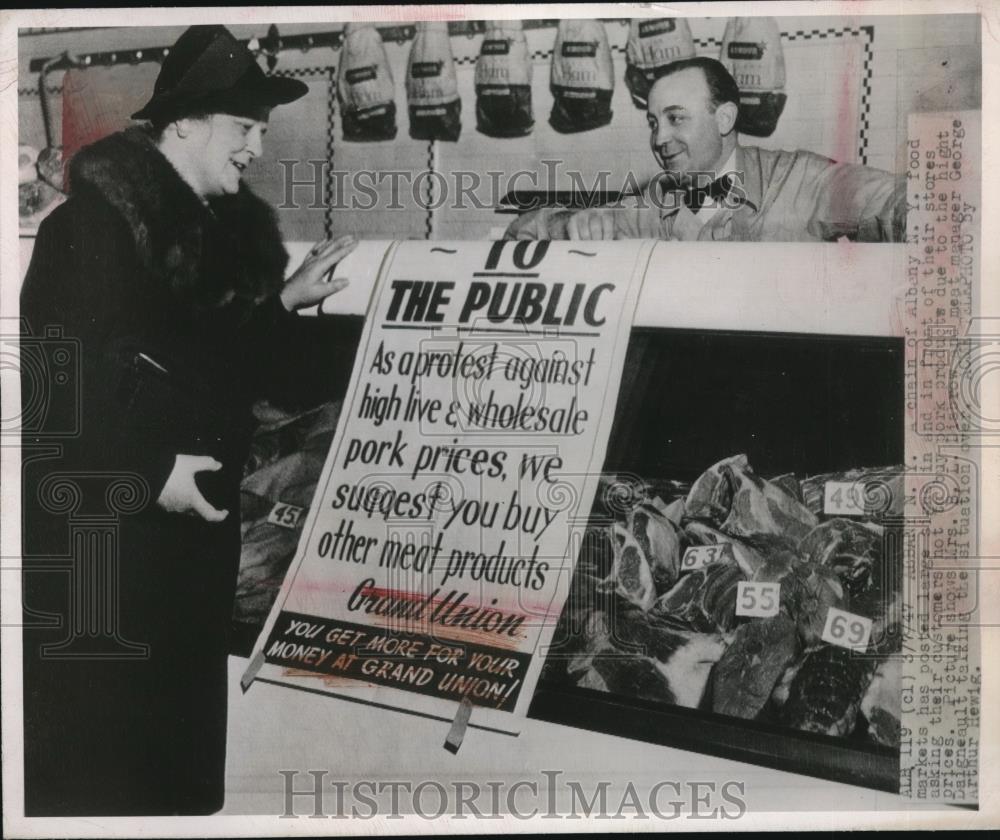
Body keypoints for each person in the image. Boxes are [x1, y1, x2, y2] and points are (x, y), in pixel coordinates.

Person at [20, 25, 356, 816]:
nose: (257, 148)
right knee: (108, 772)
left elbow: (207, 360)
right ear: (182, 125)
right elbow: (53, 396)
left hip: (187, 551)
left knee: (173, 767)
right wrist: (151, 475)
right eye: (245, 128)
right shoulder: (90, 229)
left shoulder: (211, 237)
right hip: (110, 556)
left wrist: (281, 304)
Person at [506, 56, 907, 242]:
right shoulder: (652, 205)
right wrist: (570, 225)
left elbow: (896, 201)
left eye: (676, 118)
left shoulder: (801, 179)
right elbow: (522, 230)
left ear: (725, 119)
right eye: (653, 122)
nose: (659, 139)